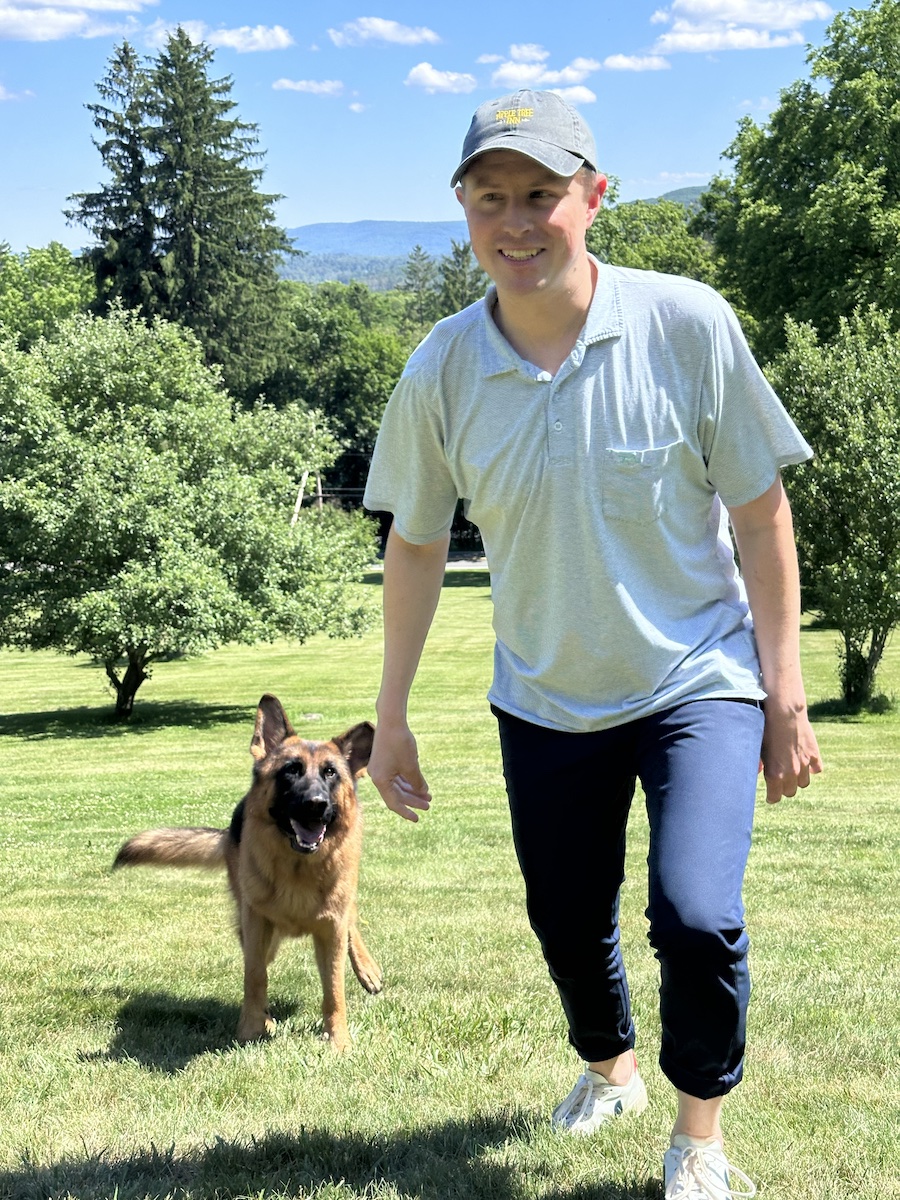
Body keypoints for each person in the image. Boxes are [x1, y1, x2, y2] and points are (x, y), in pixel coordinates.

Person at [363, 89, 822, 1200]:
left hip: (694, 678)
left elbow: (760, 513)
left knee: (697, 913)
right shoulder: (441, 369)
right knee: (567, 917)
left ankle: (700, 1138)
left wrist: (785, 693)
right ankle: (607, 1067)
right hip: (546, 693)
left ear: (594, 197)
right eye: (492, 199)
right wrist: (392, 713)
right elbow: (418, 545)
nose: (517, 222)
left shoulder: (686, 324)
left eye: (541, 194)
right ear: (463, 213)